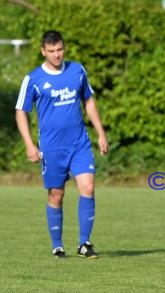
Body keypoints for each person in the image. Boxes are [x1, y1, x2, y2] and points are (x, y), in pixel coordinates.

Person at [15, 30, 108, 259]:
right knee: (56, 194)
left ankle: (84, 244)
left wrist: (101, 133)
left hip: (79, 143)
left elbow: (89, 101)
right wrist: (29, 144)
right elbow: (20, 112)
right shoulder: (33, 79)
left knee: (88, 187)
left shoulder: (77, 70)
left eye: (60, 50)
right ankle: (57, 245)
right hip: (52, 148)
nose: (57, 55)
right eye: (52, 51)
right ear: (43, 51)